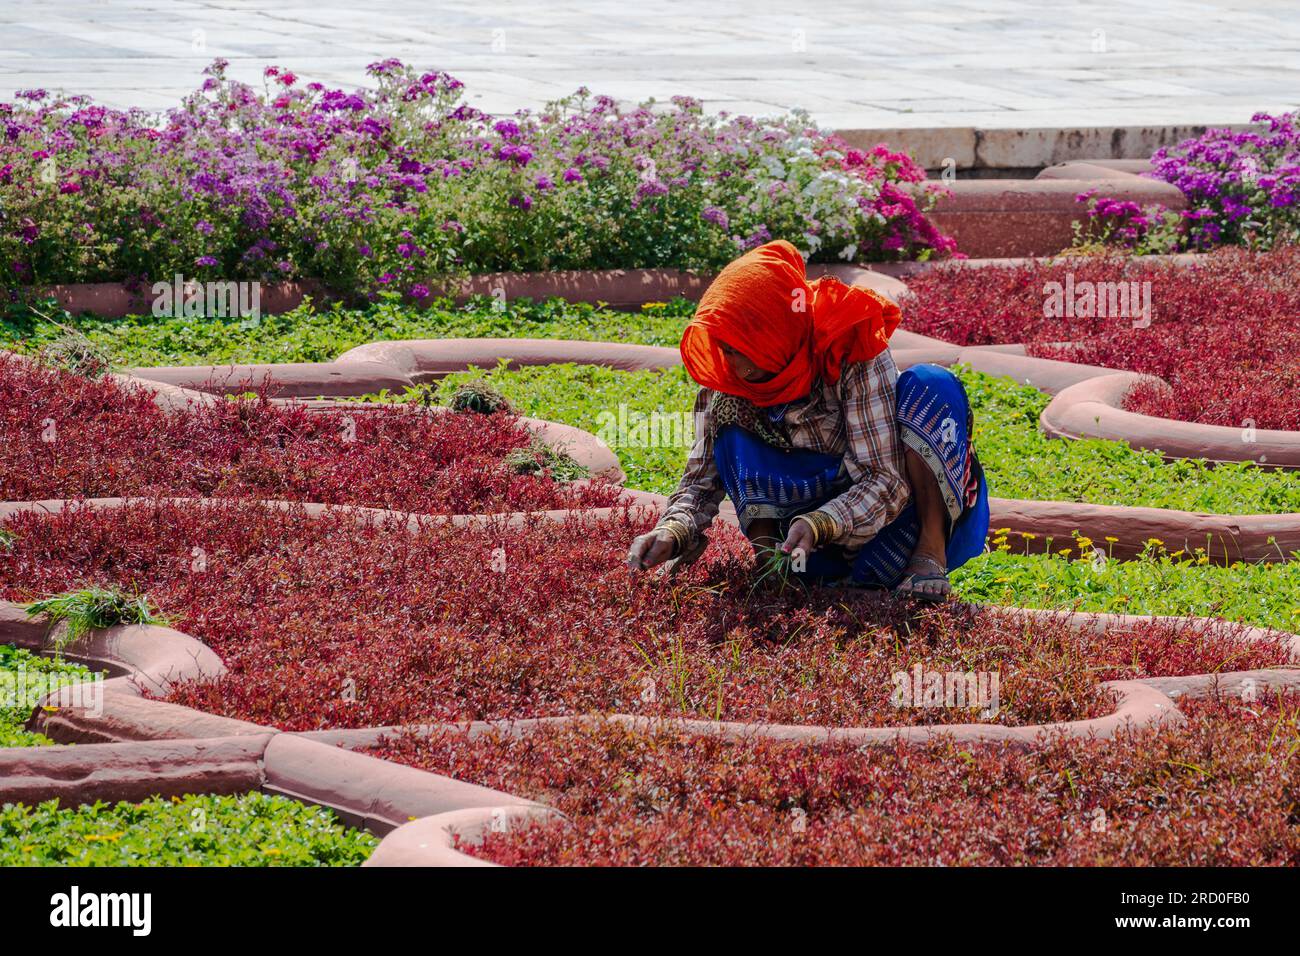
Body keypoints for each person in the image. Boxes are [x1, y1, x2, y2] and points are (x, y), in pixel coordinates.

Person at [625, 240, 988, 601]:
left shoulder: (850, 344)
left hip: (890, 532)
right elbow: (700, 483)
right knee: (726, 416)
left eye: (738, 350)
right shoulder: (729, 382)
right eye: (723, 348)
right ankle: (772, 567)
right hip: (803, 548)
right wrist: (672, 531)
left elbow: (886, 480)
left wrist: (823, 522)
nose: (729, 363)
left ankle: (930, 552)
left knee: (930, 385)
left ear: (772, 335)